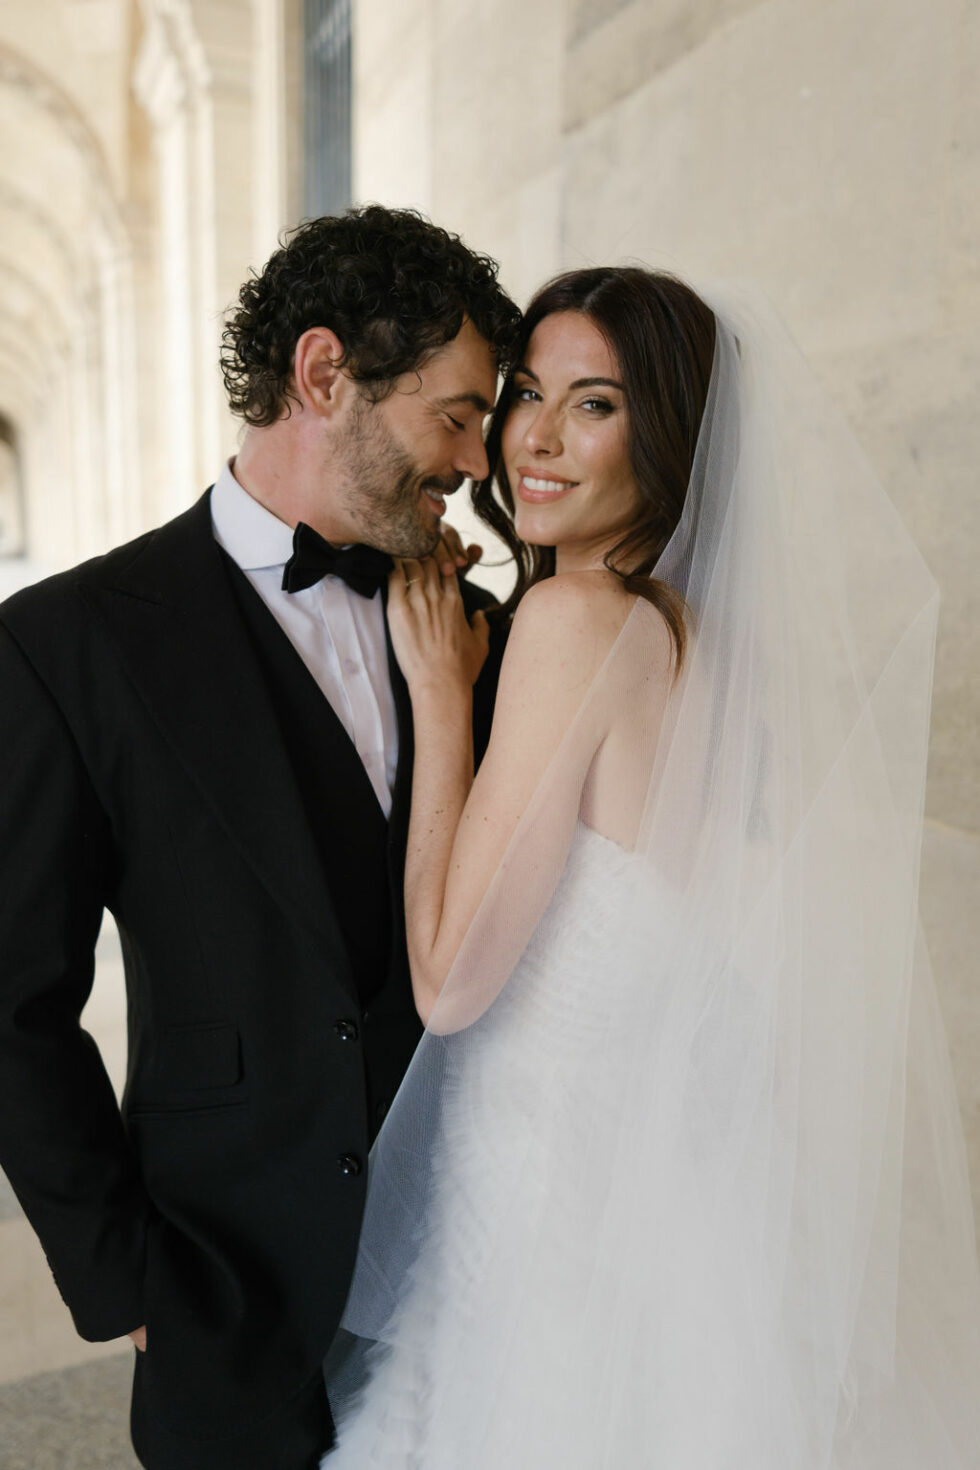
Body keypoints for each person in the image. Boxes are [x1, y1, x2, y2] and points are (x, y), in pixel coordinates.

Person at [324, 267, 980, 1466]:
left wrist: (437, 701)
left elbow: (452, 981)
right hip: (676, 1216)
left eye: (595, 405)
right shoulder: (707, 639)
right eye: (526, 393)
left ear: (667, 434)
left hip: (545, 1229)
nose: (533, 435)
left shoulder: (576, 624)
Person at [0, 204, 520, 1470]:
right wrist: (119, 1279)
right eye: (453, 414)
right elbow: (14, 1001)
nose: (474, 461)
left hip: (476, 1277)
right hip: (219, 1286)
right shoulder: (70, 642)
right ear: (323, 373)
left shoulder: (479, 627)